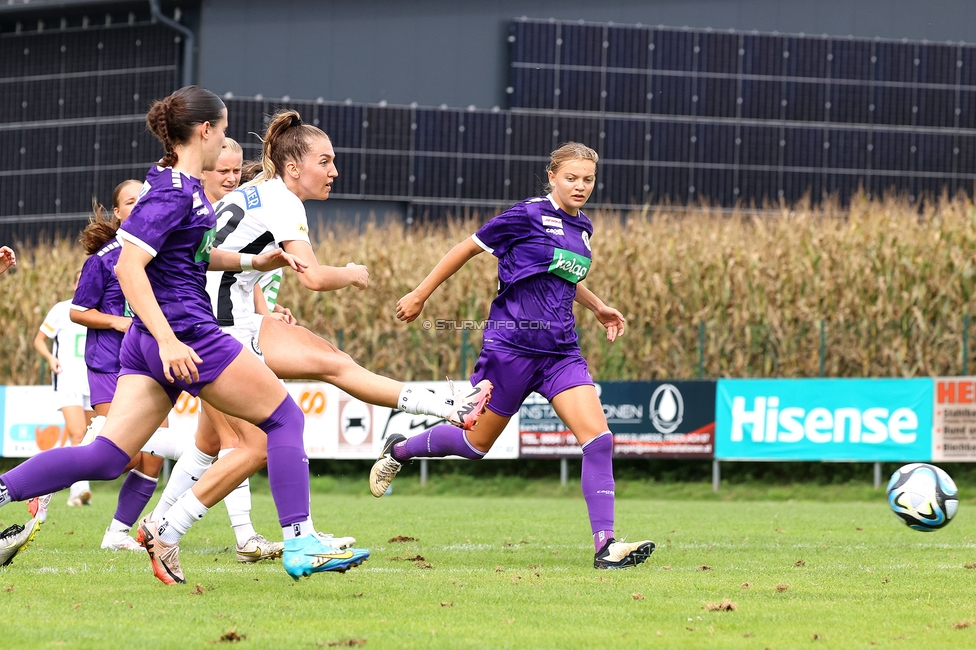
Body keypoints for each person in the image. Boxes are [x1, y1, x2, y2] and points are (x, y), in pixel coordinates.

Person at [0, 85, 370, 584]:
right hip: (185, 333)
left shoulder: (182, 185)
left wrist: (251, 261)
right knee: (283, 418)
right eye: (222, 130)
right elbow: (131, 267)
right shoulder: (175, 191)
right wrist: (171, 340)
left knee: (107, 457)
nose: (227, 143)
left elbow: (191, 254)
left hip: (154, 341)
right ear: (205, 131)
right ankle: (301, 542)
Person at [144, 110, 493, 578]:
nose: (333, 171)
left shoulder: (259, 192)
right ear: (293, 168)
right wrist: (350, 274)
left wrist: (265, 308)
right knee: (257, 442)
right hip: (214, 328)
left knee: (325, 367)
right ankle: (178, 528)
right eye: (325, 161)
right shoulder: (284, 201)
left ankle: (449, 409)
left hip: (235, 321)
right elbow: (312, 279)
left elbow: (235, 264)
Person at [370, 142, 656, 570]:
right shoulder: (526, 215)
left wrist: (597, 306)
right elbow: (466, 249)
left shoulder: (584, 228)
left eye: (588, 179)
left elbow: (560, 275)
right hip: (510, 349)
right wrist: (420, 294)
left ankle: (606, 546)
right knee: (474, 444)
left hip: (561, 352)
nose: (581, 186)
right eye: (572, 178)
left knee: (599, 441)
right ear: (552, 177)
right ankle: (401, 450)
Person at [67, 180, 174, 551]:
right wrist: (117, 321)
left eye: (143, 201)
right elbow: (77, 311)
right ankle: (54, 482)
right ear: (118, 213)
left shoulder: (160, 250)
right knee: (122, 456)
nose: (138, 206)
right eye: (131, 202)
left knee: (154, 454)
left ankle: (117, 533)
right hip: (109, 364)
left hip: (150, 361)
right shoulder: (102, 259)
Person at [31, 271, 95, 508]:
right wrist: (50, 358)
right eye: (79, 279)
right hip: (67, 379)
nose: (82, 283)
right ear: (72, 283)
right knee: (78, 433)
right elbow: (39, 340)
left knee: (89, 438)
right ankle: (81, 489)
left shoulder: (99, 310)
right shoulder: (61, 309)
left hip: (92, 380)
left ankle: (63, 487)